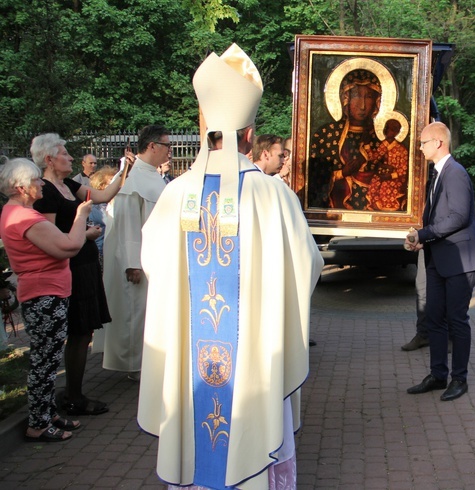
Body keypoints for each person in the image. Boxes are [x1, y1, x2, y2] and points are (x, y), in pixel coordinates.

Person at [137, 43, 323, 490]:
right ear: (249, 133)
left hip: (193, 355)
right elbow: (308, 265)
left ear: (205, 127)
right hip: (253, 355)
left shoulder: (175, 192)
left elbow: (154, 266)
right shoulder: (273, 193)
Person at [0, 157, 91, 441]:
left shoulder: (17, 212)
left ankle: (47, 413)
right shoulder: (24, 217)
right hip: (43, 294)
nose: (42, 184)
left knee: (49, 360)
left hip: (47, 292)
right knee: (44, 361)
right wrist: (81, 215)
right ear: (21, 187)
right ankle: (38, 423)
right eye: (37, 180)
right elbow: (70, 245)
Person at [31, 133, 121, 417]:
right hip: (70, 266)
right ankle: (73, 395)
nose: (71, 158)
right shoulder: (45, 191)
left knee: (84, 331)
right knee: (78, 330)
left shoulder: (69, 184)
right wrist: (85, 234)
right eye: (65, 154)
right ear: (49, 160)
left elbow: (104, 195)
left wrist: (124, 170)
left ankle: (74, 392)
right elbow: (52, 237)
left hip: (85, 263)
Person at [405, 122, 475, 402]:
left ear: (438, 143)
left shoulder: (455, 173)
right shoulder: (437, 174)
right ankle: (438, 375)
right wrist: (419, 239)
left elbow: (459, 217)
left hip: (460, 260)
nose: (421, 147)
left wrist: (424, 234)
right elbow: (437, 218)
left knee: (456, 320)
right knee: (435, 318)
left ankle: (458, 379)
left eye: (423, 142)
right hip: (439, 257)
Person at [102, 125, 169, 380]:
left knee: (150, 311)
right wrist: (132, 264)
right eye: (166, 145)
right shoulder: (132, 177)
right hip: (139, 260)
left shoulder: (152, 175)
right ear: (152, 146)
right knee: (136, 312)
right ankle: (135, 366)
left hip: (156, 257)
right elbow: (128, 223)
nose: (169, 151)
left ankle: (149, 361)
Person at [308, 69, 384, 210]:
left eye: (368, 97)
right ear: (345, 98)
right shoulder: (326, 134)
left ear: (376, 101)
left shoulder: (380, 140)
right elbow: (314, 178)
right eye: (356, 95)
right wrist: (341, 173)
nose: (362, 105)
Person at [368, 118, 409, 211]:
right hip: (383, 174)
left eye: (390, 129)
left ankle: (388, 208)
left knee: (385, 186)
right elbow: (374, 159)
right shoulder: (384, 145)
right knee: (374, 182)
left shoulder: (401, 149)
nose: (386, 131)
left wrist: (390, 176)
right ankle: (375, 206)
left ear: (396, 132)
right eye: (386, 127)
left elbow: (403, 169)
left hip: (395, 178)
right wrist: (367, 146)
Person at [88, 166, 119, 263]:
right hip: (101, 254)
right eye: (111, 182)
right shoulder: (96, 207)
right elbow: (113, 221)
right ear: (101, 186)